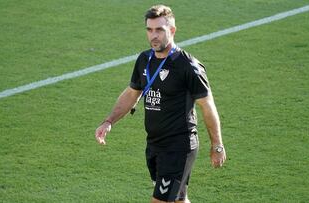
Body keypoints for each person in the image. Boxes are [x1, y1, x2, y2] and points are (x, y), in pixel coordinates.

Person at [95, 4, 226, 203]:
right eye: (149, 30)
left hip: (179, 146)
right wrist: (109, 121)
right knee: (179, 199)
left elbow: (207, 106)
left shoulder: (188, 66)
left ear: (172, 31)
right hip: (155, 143)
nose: (153, 35)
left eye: (159, 30)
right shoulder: (144, 59)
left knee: (160, 200)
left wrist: (217, 145)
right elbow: (132, 93)